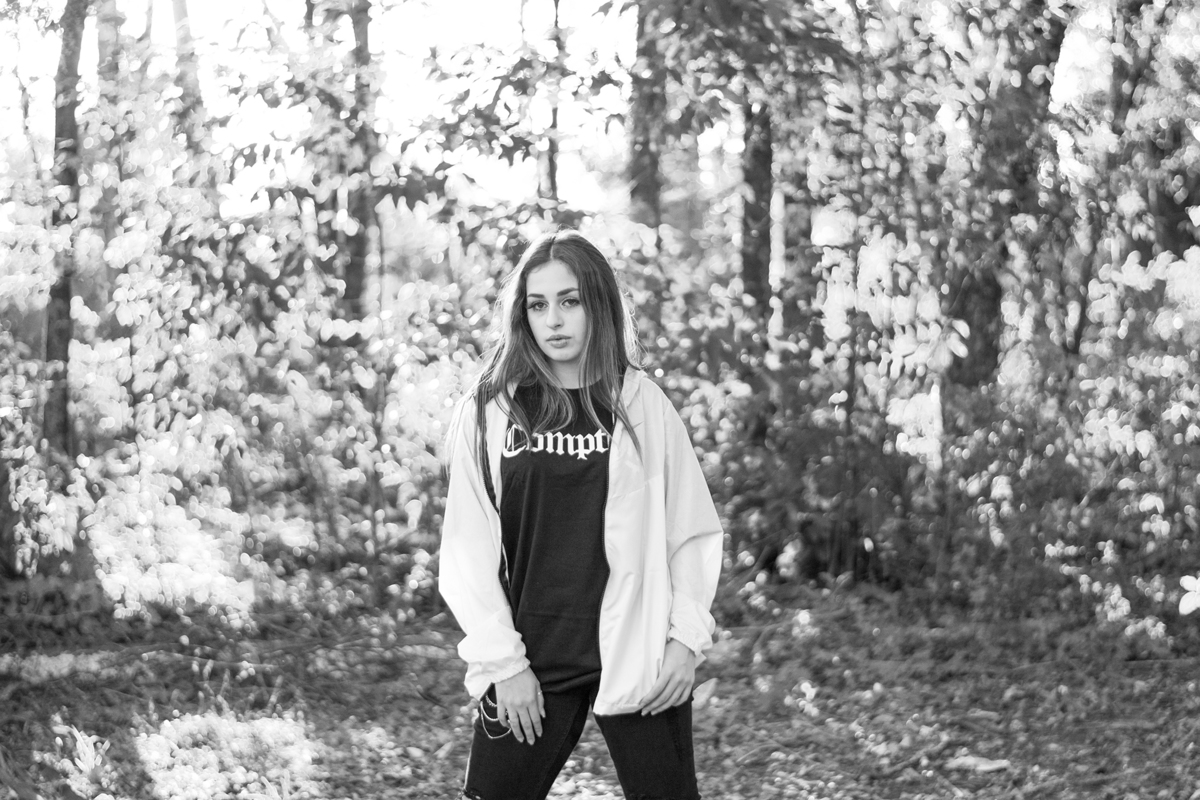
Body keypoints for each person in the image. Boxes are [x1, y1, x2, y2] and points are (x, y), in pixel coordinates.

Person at [439, 229, 723, 800]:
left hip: (640, 651)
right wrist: (504, 665)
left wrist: (684, 641)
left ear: (598, 304)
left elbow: (690, 532)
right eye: (537, 305)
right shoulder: (491, 410)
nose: (554, 320)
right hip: (531, 654)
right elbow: (467, 549)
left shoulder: (642, 405)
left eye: (569, 301)